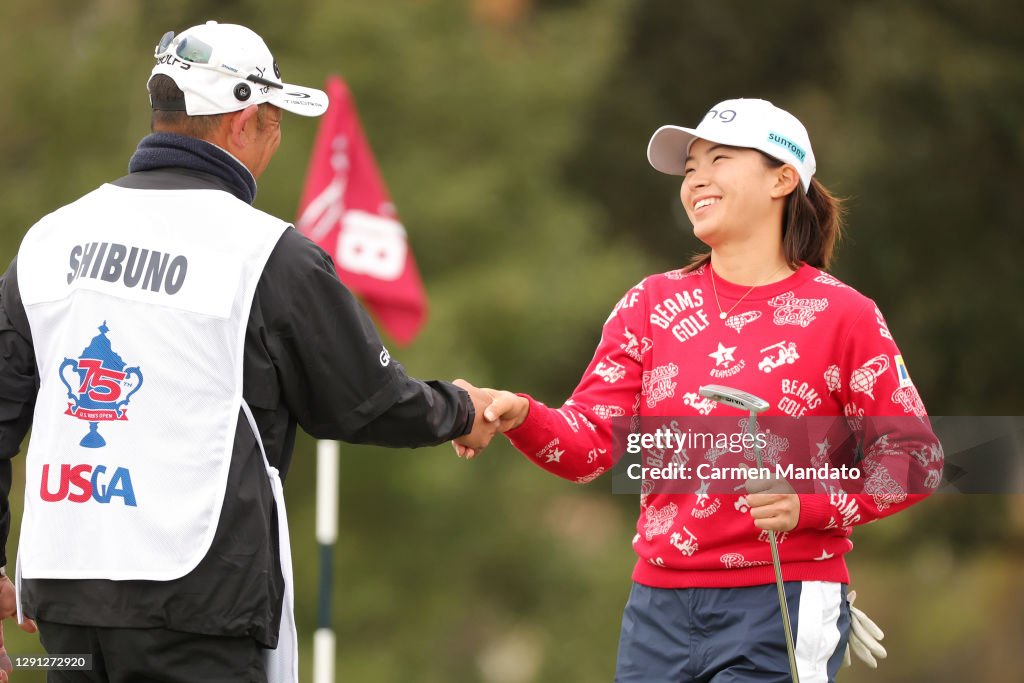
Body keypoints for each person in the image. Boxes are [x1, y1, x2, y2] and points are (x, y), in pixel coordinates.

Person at [0, 21, 501, 683]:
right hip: (196, 609)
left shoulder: (47, 242)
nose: (275, 139)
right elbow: (366, 402)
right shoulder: (264, 252)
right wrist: (460, 409)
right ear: (241, 123)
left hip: (64, 609)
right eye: (273, 123)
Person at [456, 98, 943, 682]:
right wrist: (520, 415)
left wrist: (810, 507)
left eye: (719, 159)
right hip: (657, 605)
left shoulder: (844, 315)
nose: (697, 179)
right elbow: (590, 448)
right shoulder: (650, 304)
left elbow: (916, 458)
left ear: (782, 178)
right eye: (689, 169)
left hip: (782, 598)